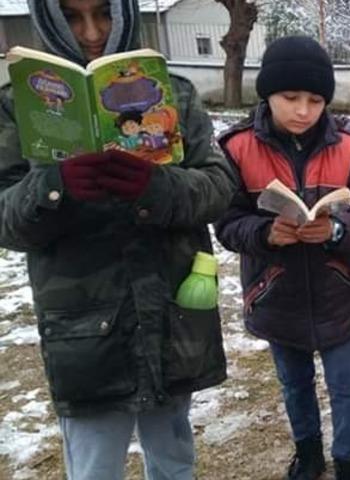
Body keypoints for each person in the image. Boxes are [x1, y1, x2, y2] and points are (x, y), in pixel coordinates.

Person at [0, 0, 237, 479]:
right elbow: (6, 220)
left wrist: (158, 187)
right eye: (72, 16)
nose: (92, 32)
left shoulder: (174, 94)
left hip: (169, 312)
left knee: (174, 460)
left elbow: (219, 186)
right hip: (84, 329)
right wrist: (53, 187)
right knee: (94, 468)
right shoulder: (14, 107)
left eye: (104, 13)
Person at [214, 35, 350, 480]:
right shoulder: (238, 147)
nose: (304, 110)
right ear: (266, 93)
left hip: (336, 290)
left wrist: (337, 229)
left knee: (345, 385)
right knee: (294, 384)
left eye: (315, 99)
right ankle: (307, 453)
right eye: (291, 98)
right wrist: (266, 233)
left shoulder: (346, 145)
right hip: (275, 293)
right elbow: (227, 223)